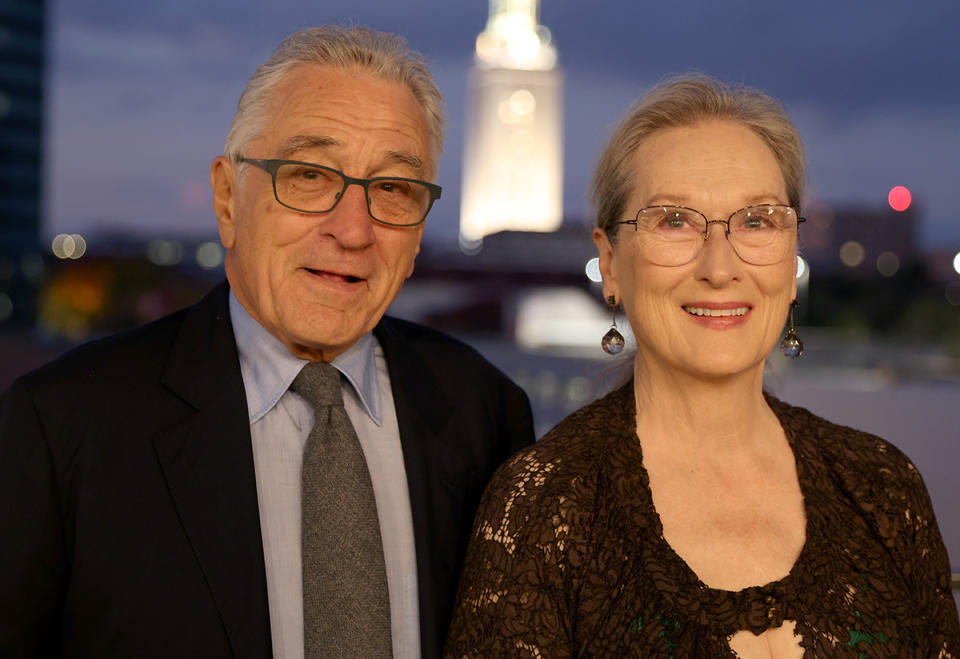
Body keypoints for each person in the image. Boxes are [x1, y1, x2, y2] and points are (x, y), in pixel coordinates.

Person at [0, 26, 534, 659]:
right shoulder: (63, 426)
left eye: (392, 189)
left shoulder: (485, 414)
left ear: (418, 234)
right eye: (309, 175)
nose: (353, 230)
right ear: (227, 198)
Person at [446, 76, 960, 657]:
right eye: (673, 220)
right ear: (610, 263)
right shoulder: (542, 508)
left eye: (757, 221)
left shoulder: (883, 486)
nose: (720, 267)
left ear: (791, 260)